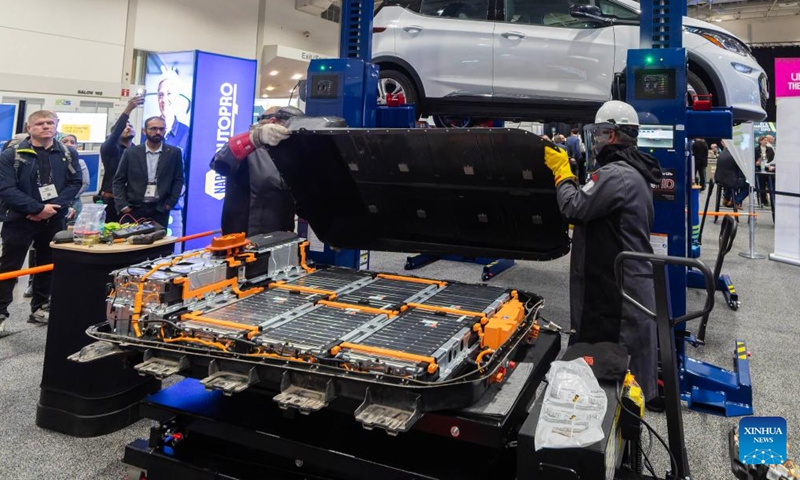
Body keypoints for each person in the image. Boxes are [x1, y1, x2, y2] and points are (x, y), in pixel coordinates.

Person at [543, 100, 663, 410]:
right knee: (622, 359)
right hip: (625, 277)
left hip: (617, 288)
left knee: (617, 358)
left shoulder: (615, 175)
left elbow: (575, 207)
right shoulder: (633, 171)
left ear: (610, 135)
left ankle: (617, 422)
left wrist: (562, 172)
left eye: (597, 134)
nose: (594, 140)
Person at [0, 111, 83, 331]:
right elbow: (6, 189)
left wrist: (51, 209)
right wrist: (37, 208)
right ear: (29, 128)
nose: (45, 127)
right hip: (19, 220)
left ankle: (39, 308)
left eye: (50, 123)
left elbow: (75, 183)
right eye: (39, 123)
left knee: (47, 266)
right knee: (9, 268)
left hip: (53, 220)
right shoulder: (12, 155)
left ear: (57, 125)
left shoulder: (67, 153)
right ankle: (0, 313)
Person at [210, 106, 299, 236]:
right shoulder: (248, 147)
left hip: (282, 236)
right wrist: (254, 139)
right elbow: (220, 164)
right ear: (272, 122)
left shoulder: (288, 152)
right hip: (245, 237)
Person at [112, 116, 184, 228]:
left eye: (161, 129)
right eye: (153, 128)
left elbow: (178, 179)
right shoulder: (131, 153)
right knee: (133, 242)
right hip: (134, 207)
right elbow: (118, 181)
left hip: (160, 208)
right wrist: (123, 205)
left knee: (159, 243)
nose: (158, 132)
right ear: (144, 131)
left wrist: (170, 203)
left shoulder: (174, 153)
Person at [100, 95, 144, 222]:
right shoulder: (109, 149)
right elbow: (114, 134)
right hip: (112, 201)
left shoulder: (138, 151)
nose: (128, 127)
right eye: (124, 126)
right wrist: (128, 110)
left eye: (131, 126)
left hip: (133, 202)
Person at [158, 75, 190, 154]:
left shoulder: (186, 133)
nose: (164, 100)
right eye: (161, 95)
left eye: (169, 94)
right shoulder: (148, 130)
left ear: (177, 98)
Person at [716, 140, 748, 210]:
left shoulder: (723, 152)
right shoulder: (735, 155)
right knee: (748, 186)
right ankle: (736, 201)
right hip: (730, 180)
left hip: (719, 179)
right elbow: (741, 168)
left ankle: (726, 198)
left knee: (734, 181)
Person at [755, 135, 775, 206]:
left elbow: (772, 159)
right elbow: (753, 159)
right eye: (764, 140)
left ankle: (772, 200)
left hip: (768, 169)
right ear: (760, 141)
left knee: (770, 185)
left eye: (766, 140)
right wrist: (756, 163)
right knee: (761, 185)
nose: (765, 141)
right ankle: (763, 200)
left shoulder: (770, 149)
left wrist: (770, 165)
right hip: (759, 169)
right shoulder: (756, 149)